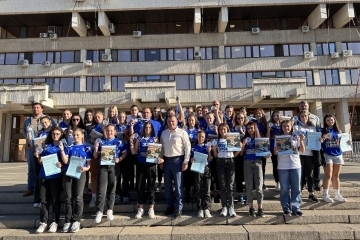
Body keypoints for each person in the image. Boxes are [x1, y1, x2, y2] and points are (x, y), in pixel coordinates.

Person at [22, 102, 55, 207]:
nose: (35, 109)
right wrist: (28, 138)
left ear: (42, 109)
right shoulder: (28, 120)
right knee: (32, 169)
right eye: (34, 108)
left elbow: (53, 131)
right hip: (32, 148)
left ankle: (48, 191)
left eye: (38, 107)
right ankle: (30, 188)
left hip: (46, 149)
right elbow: (24, 131)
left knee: (46, 169)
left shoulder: (48, 119)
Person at [35, 127, 67, 233]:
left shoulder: (62, 146)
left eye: (57, 134)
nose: (55, 135)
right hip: (43, 175)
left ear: (61, 135)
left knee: (55, 200)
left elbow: (65, 161)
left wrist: (61, 164)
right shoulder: (45, 145)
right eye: (53, 133)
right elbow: (40, 161)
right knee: (43, 200)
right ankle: (43, 222)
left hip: (55, 176)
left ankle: (54, 222)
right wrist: (38, 158)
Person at [159, 115, 191, 219]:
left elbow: (187, 147)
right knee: (167, 185)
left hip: (178, 160)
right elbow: (161, 148)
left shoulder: (182, 132)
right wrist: (160, 160)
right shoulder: (164, 133)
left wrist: (186, 161)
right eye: (169, 121)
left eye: (173, 121)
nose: (171, 123)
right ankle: (170, 206)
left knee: (178, 185)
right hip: (167, 160)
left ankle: (179, 208)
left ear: (176, 121)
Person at [93, 124, 127, 223]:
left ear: (115, 132)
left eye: (111, 131)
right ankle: (99, 211)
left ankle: (109, 210)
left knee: (112, 188)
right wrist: (95, 148)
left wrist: (119, 159)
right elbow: (95, 156)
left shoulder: (118, 142)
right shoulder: (101, 141)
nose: (109, 132)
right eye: (107, 131)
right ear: (105, 132)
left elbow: (125, 152)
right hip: (103, 167)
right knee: (101, 189)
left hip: (114, 167)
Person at [62, 128, 92, 233]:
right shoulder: (68, 147)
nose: (75, 137)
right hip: (68, 173)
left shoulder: (86, 148)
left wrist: (86, 168)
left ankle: (76, 220)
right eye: (74, 135)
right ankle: (68, 220)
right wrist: (62, 150)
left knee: (78, 197)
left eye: (77, 135)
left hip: (80, 173)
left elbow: (89, 165)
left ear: (82, 135)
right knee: (68, 198)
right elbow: (65, 161)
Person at [274, 120, 305, 216]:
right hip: (283, 166)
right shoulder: (278, 138)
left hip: (296, 164)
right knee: (284, 188)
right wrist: (276, 149)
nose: (286, 128)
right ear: (281, 127)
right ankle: (286, 208)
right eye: (284, 126)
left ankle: (296, 207)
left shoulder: (296, 137)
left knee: (296, 188)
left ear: (291, 126)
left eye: (288, 126)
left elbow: (302, 151)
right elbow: (275, 153)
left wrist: (301, 140)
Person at [130, 122, 159, 219]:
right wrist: (131, 143)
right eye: (146, 127)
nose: (147, 129)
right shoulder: (139, 139)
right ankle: (141, 208)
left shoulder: (155, 139)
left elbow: (158, 153)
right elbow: (134, 152)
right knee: (140, 185)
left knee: (151, 186)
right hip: (141, 164)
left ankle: (151, 208)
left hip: (151, 165)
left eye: (149, 127)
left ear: (151, 129)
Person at [212, 123, 241, 217]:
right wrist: (214, 149)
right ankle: (224, 206)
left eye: (224, 129)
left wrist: (240, 148)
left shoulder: (231, 139)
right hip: (220, 162)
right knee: (223, 185)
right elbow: (216, 156)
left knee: (230, 185)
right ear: (219, 131)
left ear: (227, 130)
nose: (223, 131)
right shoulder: (216, 141)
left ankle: (231, 207)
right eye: (221, 130)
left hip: (230, 162)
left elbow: (235, 154)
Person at [240, 121, 265, 217]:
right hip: (247, 163)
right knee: (249, 186)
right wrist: (243, 146)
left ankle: (260, 208)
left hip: (257, 162)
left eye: (252, 128)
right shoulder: (245, 139)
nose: (250, 130)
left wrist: (267, 154)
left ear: (255, 128)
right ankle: (251, 208)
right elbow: (241, 154)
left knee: (259, 186)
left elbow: (264, 153)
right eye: (248, 128)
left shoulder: (259, 139)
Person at [321, 114, 347, 203]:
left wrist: (348, 141)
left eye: (331, 120)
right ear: (325, 121)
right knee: (328, 175)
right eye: (328, 120)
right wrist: (322, 139)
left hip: (338, 154)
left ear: (334, 120)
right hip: (327, 154)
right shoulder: (322, 130)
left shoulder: (338, 131)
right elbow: (319, 142)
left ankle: (337, 194)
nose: (330, 122)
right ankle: (325, 194)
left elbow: (343, 142)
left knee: (336, 176)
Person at [295, 110, 320, 202]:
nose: (304, 118)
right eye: (302, 116)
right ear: (299, 117)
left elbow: (316, 139)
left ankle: (311, 193)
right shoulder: (296, 127)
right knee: (299, 174)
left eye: (305, 116)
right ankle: (299, 193)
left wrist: (319, 140)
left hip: (310, 154)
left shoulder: (312, 128)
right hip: (299, 154)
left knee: (310, 174)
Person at [299, 101, 322, 191]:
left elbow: (319, 130)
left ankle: (313, 187)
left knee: (311, 171)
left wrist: (320, 138)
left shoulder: (314, 120)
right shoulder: (295, 121)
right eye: (301, 105)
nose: (303, 107)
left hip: (311, 151)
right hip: (300, 152)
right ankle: (301, 187)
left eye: (305, 105)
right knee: (300, 172)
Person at [191, 130, 212, 218]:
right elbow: (192, 159)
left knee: (207, 189)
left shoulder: (207, 147)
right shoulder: (194, 148)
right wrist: (192, 160)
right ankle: (200, 208)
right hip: (197, 169)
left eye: (202, 137)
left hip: (206, 168)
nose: (201, 138)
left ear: (205, 138)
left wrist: (209, 152)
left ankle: (206, 208)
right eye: (199, 137)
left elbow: (210, 159)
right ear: (197, 137)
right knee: (198, 189)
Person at [88, 111, 105, 207]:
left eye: (99, 116)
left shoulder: (108, 126)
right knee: (94, 175)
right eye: (96, 117)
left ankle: (104, 197)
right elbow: (89, 141)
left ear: (103, 116)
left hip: (105, 153)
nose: (97, 118)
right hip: (95, 153)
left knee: (104, 176)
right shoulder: (92, 128)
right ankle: (94, 197)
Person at [183, 114, 200, 204]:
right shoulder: (184, 131)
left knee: (196, 176)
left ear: (195, 121)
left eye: (192, 120)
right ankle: (188, 193)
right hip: (187, 156)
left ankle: (195, 193)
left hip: (196, 156)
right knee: (187, 176)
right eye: (189, 120)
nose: (191, 122)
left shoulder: (198, 131)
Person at [232, 112, 247, 204]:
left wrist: (242, 131)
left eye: (241, 118)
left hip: (248, 155)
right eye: (238, 118)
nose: (240, 120)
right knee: (238, 175)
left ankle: (248, 194)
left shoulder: (248, 127)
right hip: (237, 155)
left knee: (247, 176)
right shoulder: (233, 129)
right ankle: (240, 194)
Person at [253, 108, 268, 190]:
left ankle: (262, 182)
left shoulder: (265, 124)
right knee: (255, 165)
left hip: (263, 145)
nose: (258, 115)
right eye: (257, 114)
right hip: (254, 145)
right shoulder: (252, 123)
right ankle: (255, 183)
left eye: (260, 114)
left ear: (262, 115)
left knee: (263, 165)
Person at [267, 110, 281, 191]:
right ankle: (278, 182)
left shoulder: (282, 124)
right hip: (273, 147)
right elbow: (268, 138)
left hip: (282, 147)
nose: (276, 117)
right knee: (275, 165)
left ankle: (283, 181)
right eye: (274, 115)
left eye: (277, 115)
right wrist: (268, 129)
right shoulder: (270, 125)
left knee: (283, 165)